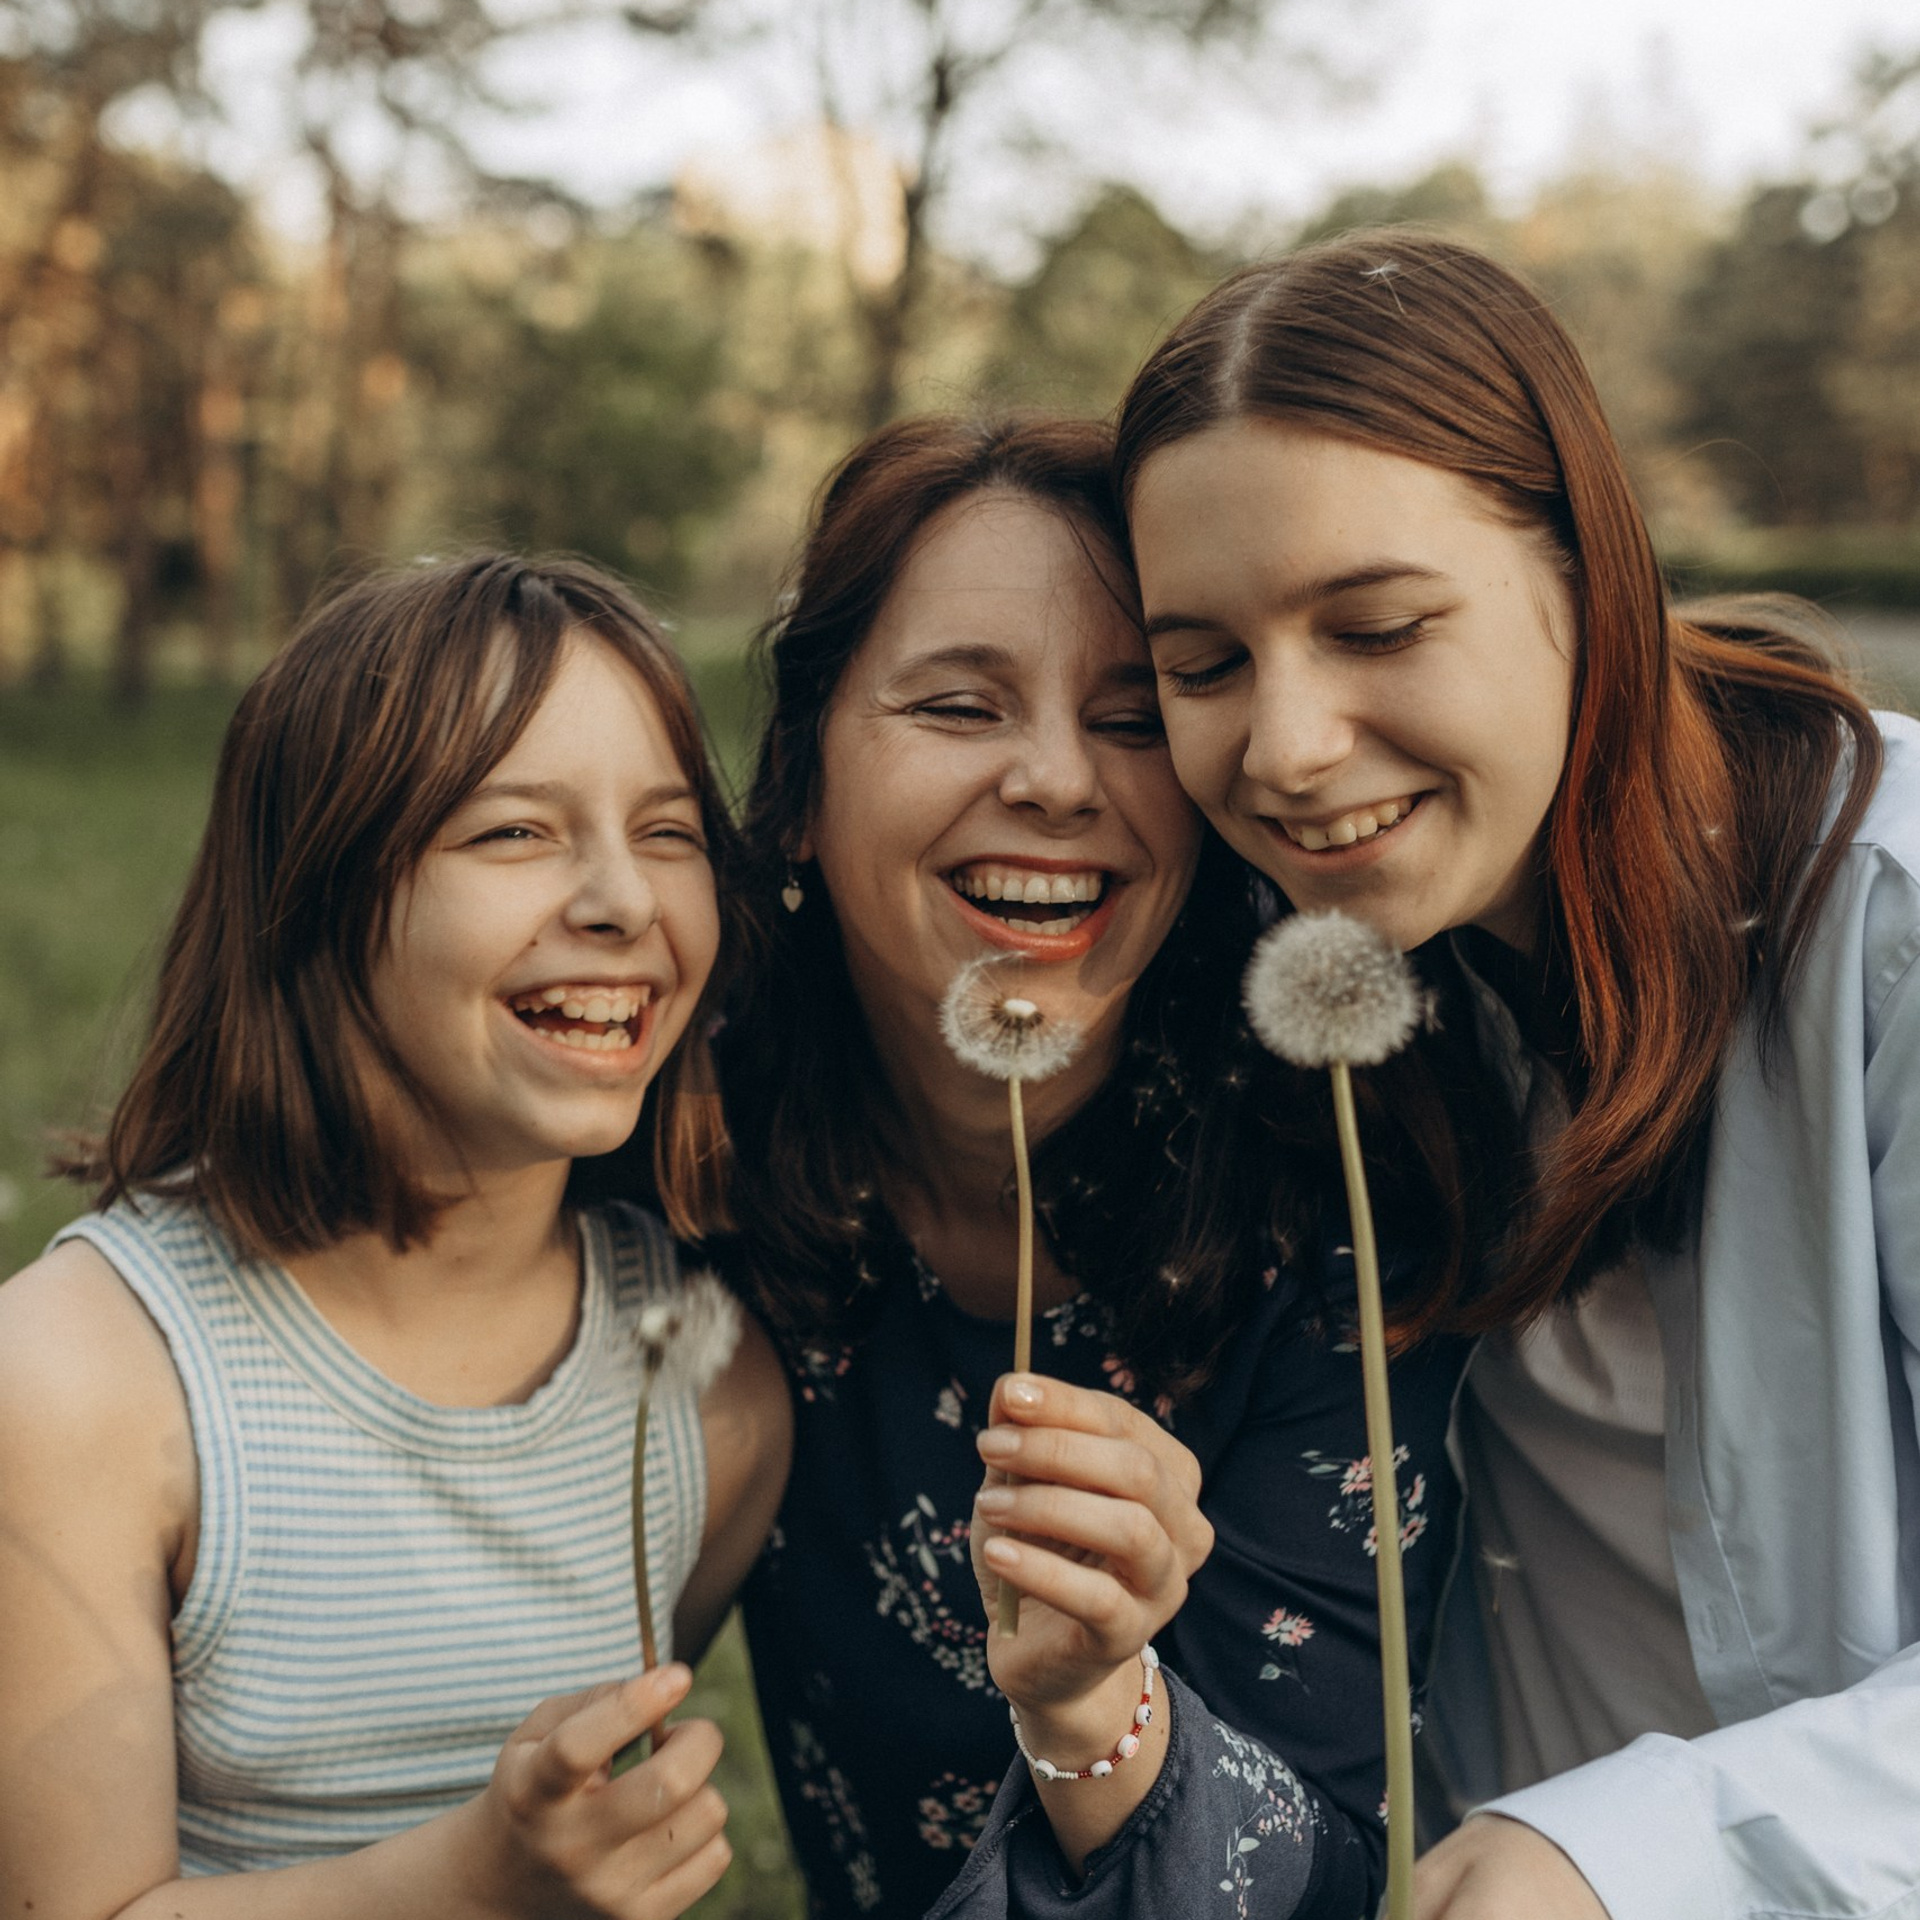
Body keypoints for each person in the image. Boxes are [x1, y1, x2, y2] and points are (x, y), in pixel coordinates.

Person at [1113, 228, 1917, 1920]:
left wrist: (1632, 1856)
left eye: (1380, 625)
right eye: (1202, 667)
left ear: (1587, 578)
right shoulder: (1357, 987)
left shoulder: (1889, 932)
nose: (1285, 747)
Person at [715, 414, 1480, 1919]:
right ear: (801, 780)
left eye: (1133, 718)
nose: (1060, 780)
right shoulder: (694, 1132)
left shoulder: (1335, 1190)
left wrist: (1097, 1711)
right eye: (957, 706)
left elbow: (1339, 1879)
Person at [0, 555, 790, 1919]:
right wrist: (476, 1880)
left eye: (668, 834)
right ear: (313, 898)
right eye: (514, 834)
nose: (624, 901)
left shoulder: (714, 1399)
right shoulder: (82, 1383)